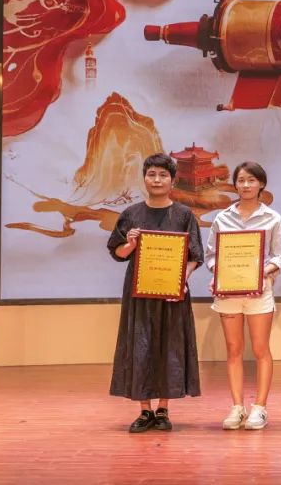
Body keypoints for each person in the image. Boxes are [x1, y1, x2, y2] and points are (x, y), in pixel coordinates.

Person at [107, 153, 204, 433]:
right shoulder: (131, 214)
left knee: (169, 345)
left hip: (172, 294)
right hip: (140, 294)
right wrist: (130, 244)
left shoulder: (184, 215)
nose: (157, 180)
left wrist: (181, 281)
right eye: (152, 174)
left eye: (163, 175)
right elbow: (118, 252)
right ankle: (144, 410)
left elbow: (194, 256)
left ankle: (163, 409)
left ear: (173, 181)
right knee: (141, 345)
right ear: (144, 179)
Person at [206, 161, 281, 431]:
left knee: (261, 349)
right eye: (241, 180)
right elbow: (211, 255)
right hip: (228, 293)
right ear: (235, 184)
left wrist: (259, 273)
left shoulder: (273, 218)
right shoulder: (222, 219)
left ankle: (260, 407)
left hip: (259, 292)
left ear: (261, 184)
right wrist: (218, 272)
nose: (246, 185)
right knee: (233, 350)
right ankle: (237, 407)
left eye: (251, 180)